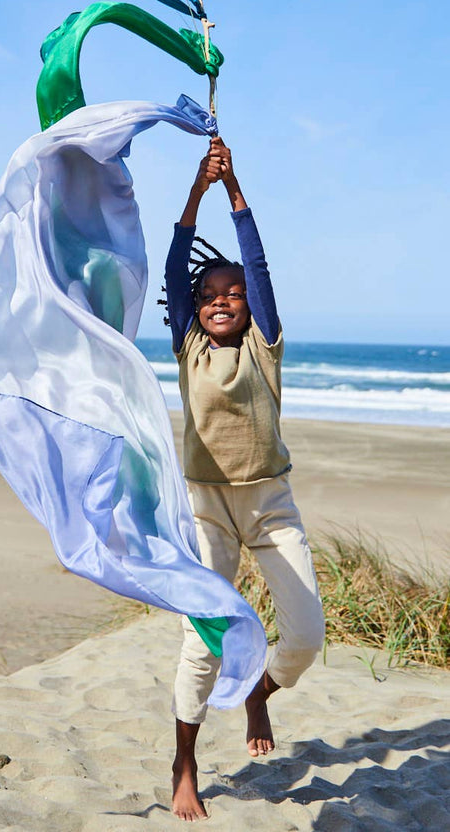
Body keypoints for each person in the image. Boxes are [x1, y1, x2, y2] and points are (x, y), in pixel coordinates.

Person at [164, 136, 325, 821]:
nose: (224, 300)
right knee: (201, 643)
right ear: (195, 307)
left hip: (269, 505)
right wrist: (198, 189)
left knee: (305, 636)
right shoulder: (187, 344)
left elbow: (255, 262)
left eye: (234, 294)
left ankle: (258, 691)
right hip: (205, 509)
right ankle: (185, 762)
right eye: (211, 295)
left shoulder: (264, 344)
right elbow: (176, 265)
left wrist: (236, 192)